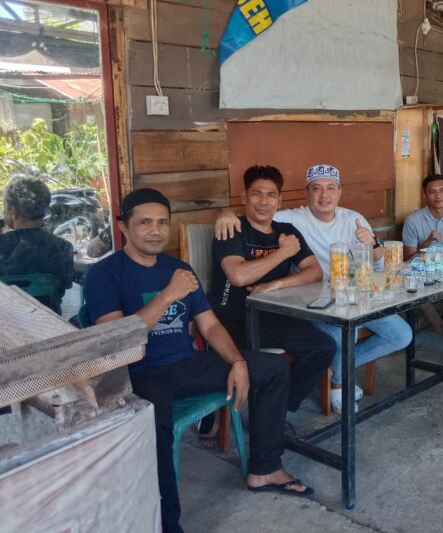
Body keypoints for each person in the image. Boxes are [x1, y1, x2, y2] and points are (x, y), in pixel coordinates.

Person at [84, 189, 313, 533]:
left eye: (162, 222)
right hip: (139, 373)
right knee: (154, 424)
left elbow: (210, 324)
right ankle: (167, 523)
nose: (156, 230)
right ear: (124, 227)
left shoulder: (178, 268)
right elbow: (117, 339)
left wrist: (237, 361)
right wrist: (168, 295)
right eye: (145, 223)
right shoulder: (105, 274)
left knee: (274, 368)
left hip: (188, 363)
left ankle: (264, 468)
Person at [215, 163, 412, 414]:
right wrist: (225, 213)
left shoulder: (354, 219)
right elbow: (255, 214)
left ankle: (336, 371)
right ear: (306, 193)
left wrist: (373, 244)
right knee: (340, 337)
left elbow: (381, 265)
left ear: (340, 192)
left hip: (357, 296)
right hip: (316, 303)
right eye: (316, 188)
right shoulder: (291, 219)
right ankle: (339, 384)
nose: (324, 195)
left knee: (402, 335)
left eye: (331, 188)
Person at [207, 165, 335, 414]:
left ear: (280, 199)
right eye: (256, 194)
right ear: (244, 197)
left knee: (324, 348)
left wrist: (276, 283)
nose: (264, 202)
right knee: (277, 365)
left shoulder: (286, 231)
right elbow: (238, 276)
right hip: (231, 324)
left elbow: (314, 272)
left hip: (272, 320)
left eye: (271, 195)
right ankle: (266, 409)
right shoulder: (231, 229)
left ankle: (280, 407)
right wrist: (284, 253)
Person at [0, 176, 74, 313]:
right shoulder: (63, 247)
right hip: (49, 326)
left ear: (13, 211)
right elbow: (65, 285)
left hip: (6, 328)